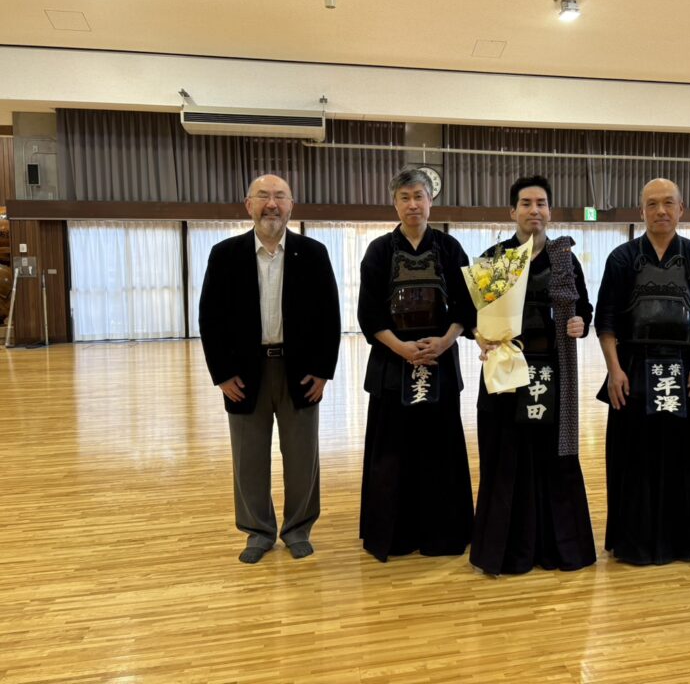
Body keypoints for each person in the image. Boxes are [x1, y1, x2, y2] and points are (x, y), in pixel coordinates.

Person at [199, 174, 341, 564]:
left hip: (300, 372)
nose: (272, 204)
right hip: (244, 374)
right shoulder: (225, 254)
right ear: (249, 205)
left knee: (302, 457)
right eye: (263, 196)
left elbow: (330, 315)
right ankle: (257, 531)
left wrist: (323, 371)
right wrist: (221, 374)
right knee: (248, 459)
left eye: (280, 196)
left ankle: (298, 529)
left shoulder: (313, 253)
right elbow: (210, 317)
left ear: (291, 205)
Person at [470, 175, 596, 576]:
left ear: (550, 211)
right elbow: (478, 318)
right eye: (526, 203)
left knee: (553, 457)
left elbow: (584, 309)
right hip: (508, 372)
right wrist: (481, 337)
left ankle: (559, 547)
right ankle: (508, 551)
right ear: (513, 212)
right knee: (507, 455)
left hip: (555, 371)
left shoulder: (564, 258)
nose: (534, 210)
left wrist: (580, 323)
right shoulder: (496, 257)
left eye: (541, 203)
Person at [595, 178, 690, 565]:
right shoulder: (621, 258)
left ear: (681, 209)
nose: (661, 211)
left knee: (687, 458)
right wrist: (614, 370)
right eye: (652, 204)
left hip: (687, 370)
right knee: (633, 458)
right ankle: (633, 542)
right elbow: (606, 321)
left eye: (669, 203)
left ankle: (685, 541)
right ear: (642, 212)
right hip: (633, 367)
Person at [357, 169, 474, 561]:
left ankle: (443, 534)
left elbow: (465, 308)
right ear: (395, 204)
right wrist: (402, 349)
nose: (413, 205)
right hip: (393, 367)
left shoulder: (450, 248)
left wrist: (444, 341)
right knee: (392, 454)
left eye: (419, 196)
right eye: (405, 197)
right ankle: (394, 535)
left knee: (440, 452)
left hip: (440, 363)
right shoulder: (379, 251)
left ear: (430, 201)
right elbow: (369, 315)